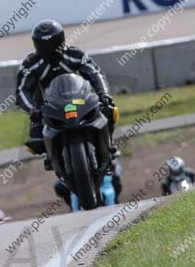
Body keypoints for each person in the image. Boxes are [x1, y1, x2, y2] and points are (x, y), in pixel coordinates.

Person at [15, 19, 121, 193]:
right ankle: (51, 157)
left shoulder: (75, 54)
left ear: (61, 40)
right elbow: (22, 91)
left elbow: (95, 74)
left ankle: (109, 145)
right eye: (43, 43)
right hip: (48, 109)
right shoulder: (30, 64)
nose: (48, 47)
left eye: (52, 42)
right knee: (33, 141)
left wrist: (104, 94)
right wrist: (33, 109)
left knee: (109, 109)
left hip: (81, 102)